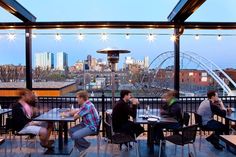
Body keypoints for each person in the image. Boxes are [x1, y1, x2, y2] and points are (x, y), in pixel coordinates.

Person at [68, 90, 100, 157]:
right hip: (85, 124)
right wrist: (76, 111)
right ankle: (82, 149)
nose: (77, 100)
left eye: (77, 98)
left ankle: (85, 145)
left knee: (75, 135)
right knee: (71, 130)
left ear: (82, 98)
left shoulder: (86, 106)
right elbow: (78, 112)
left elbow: (75, 117)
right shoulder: (86, 104)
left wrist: (75, 112)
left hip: (91, 127)